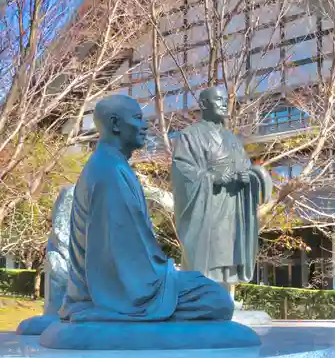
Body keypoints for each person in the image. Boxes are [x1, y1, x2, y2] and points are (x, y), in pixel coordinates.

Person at [59, 94, 233, 322]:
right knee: (216, 299)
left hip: (133, 280)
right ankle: (104, 311)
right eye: (137, 118)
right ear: (115, 124)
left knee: (210, 292)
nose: (145, 125)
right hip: (122, 290)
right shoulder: (109, 172)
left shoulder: (112, 165)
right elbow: (118, 255)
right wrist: (162, 278)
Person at [171, 87, 272, 291]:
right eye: (218, 99)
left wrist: (248, 176)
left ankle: (226, 297)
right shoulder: (189, 136)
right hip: (207, 206)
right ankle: (200, 297)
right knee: (205, 254)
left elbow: (243, 166)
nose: (224, 103)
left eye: (225, 99)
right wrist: (212, 178)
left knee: (229, 254)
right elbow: (182, 169)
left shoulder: (232, 140)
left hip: (231, 207)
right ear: (204, 104)